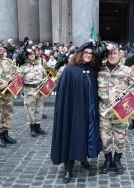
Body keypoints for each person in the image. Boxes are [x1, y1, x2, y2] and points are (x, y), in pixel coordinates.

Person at [51, 42, 101, 183]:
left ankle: (83, 158)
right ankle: (68, 168)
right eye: (86, 53)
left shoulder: (93, 70)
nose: (88, 55)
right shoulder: (70, 70)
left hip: (89, 111)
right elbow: (64, 95)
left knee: (86, 134)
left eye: (91, 54)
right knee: (71, 135)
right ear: (79, 54)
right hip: (72, 112)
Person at [98, 42, 134, 175]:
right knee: (105, 139)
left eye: (115, 53)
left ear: (120, 55)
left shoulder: (127, 71)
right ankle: (108, 160)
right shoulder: (100, 70)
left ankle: (117, 160)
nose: (112, 56)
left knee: (120, 138)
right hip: (104, 111)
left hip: (121, 111)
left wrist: (127, 99)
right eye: (110, 53)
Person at [17, 46, 47, 137]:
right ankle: (32, 127)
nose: (32, 55)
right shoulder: (22, 68)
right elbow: (18, 80)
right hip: (29, 90)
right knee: (30, 110)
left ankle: (38, 126)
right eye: (29, 54)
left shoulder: (40, 66)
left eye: (33, 53)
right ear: (26, 56)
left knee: (39, 109)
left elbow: (45, 77)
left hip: (40, 90)